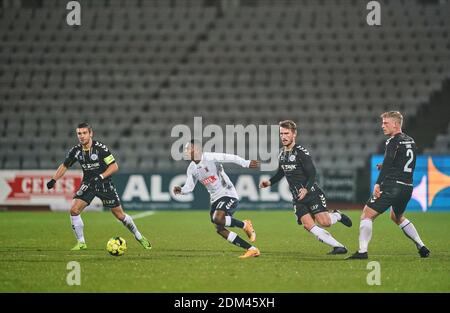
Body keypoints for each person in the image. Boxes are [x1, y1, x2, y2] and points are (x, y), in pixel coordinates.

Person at [46, 122, 151, 251]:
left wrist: (101, 176)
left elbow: (114, 166)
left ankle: (139, 236)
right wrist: (54, 179)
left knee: (120, 216)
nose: (82, 136)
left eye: (84, 133)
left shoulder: (100, 149)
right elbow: (65, 166)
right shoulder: (76, 151)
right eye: (79, 133)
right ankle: (81, 243)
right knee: (74, 210)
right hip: (88, 184)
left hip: (104, 184)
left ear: (91, 134)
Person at [260, 120, 352, 255]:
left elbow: (312, 173)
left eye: (286, 133)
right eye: (281, 134)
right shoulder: (281, 153)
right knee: (308, 225)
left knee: (325, 222)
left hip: (311, 193)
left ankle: (337, 215)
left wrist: (306, 189)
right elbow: (281, 173)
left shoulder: (301, 152)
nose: (283, 136)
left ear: (294, 134)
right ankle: (339, 247)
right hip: (297, 196)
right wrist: (269, 182)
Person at [347, 111, 430, 259]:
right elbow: (403, 163)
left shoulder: (392, 141)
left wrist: (378, 183)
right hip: (407, 187)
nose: (382, 126)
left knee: (367, 215)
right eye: (382, 123)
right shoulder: (410, 141)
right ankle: (421, 245)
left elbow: (388, 162)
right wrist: (385, 165)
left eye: (386, 123)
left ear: (396, 124)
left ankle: (362, 251)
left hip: (392, 186)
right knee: (397, 217)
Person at [173, 140, 260, 258]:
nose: (185, 151)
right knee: (219, 229)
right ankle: (251, 249)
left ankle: (244, 225)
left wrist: (246, 163)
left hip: (227, 193)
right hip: (215, 199)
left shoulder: (210, 157)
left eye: (188, 148)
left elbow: (231, 157)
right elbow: (190, 186)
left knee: (217, 218)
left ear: (197, 149)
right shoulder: (192, 168)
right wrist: (182, 190)